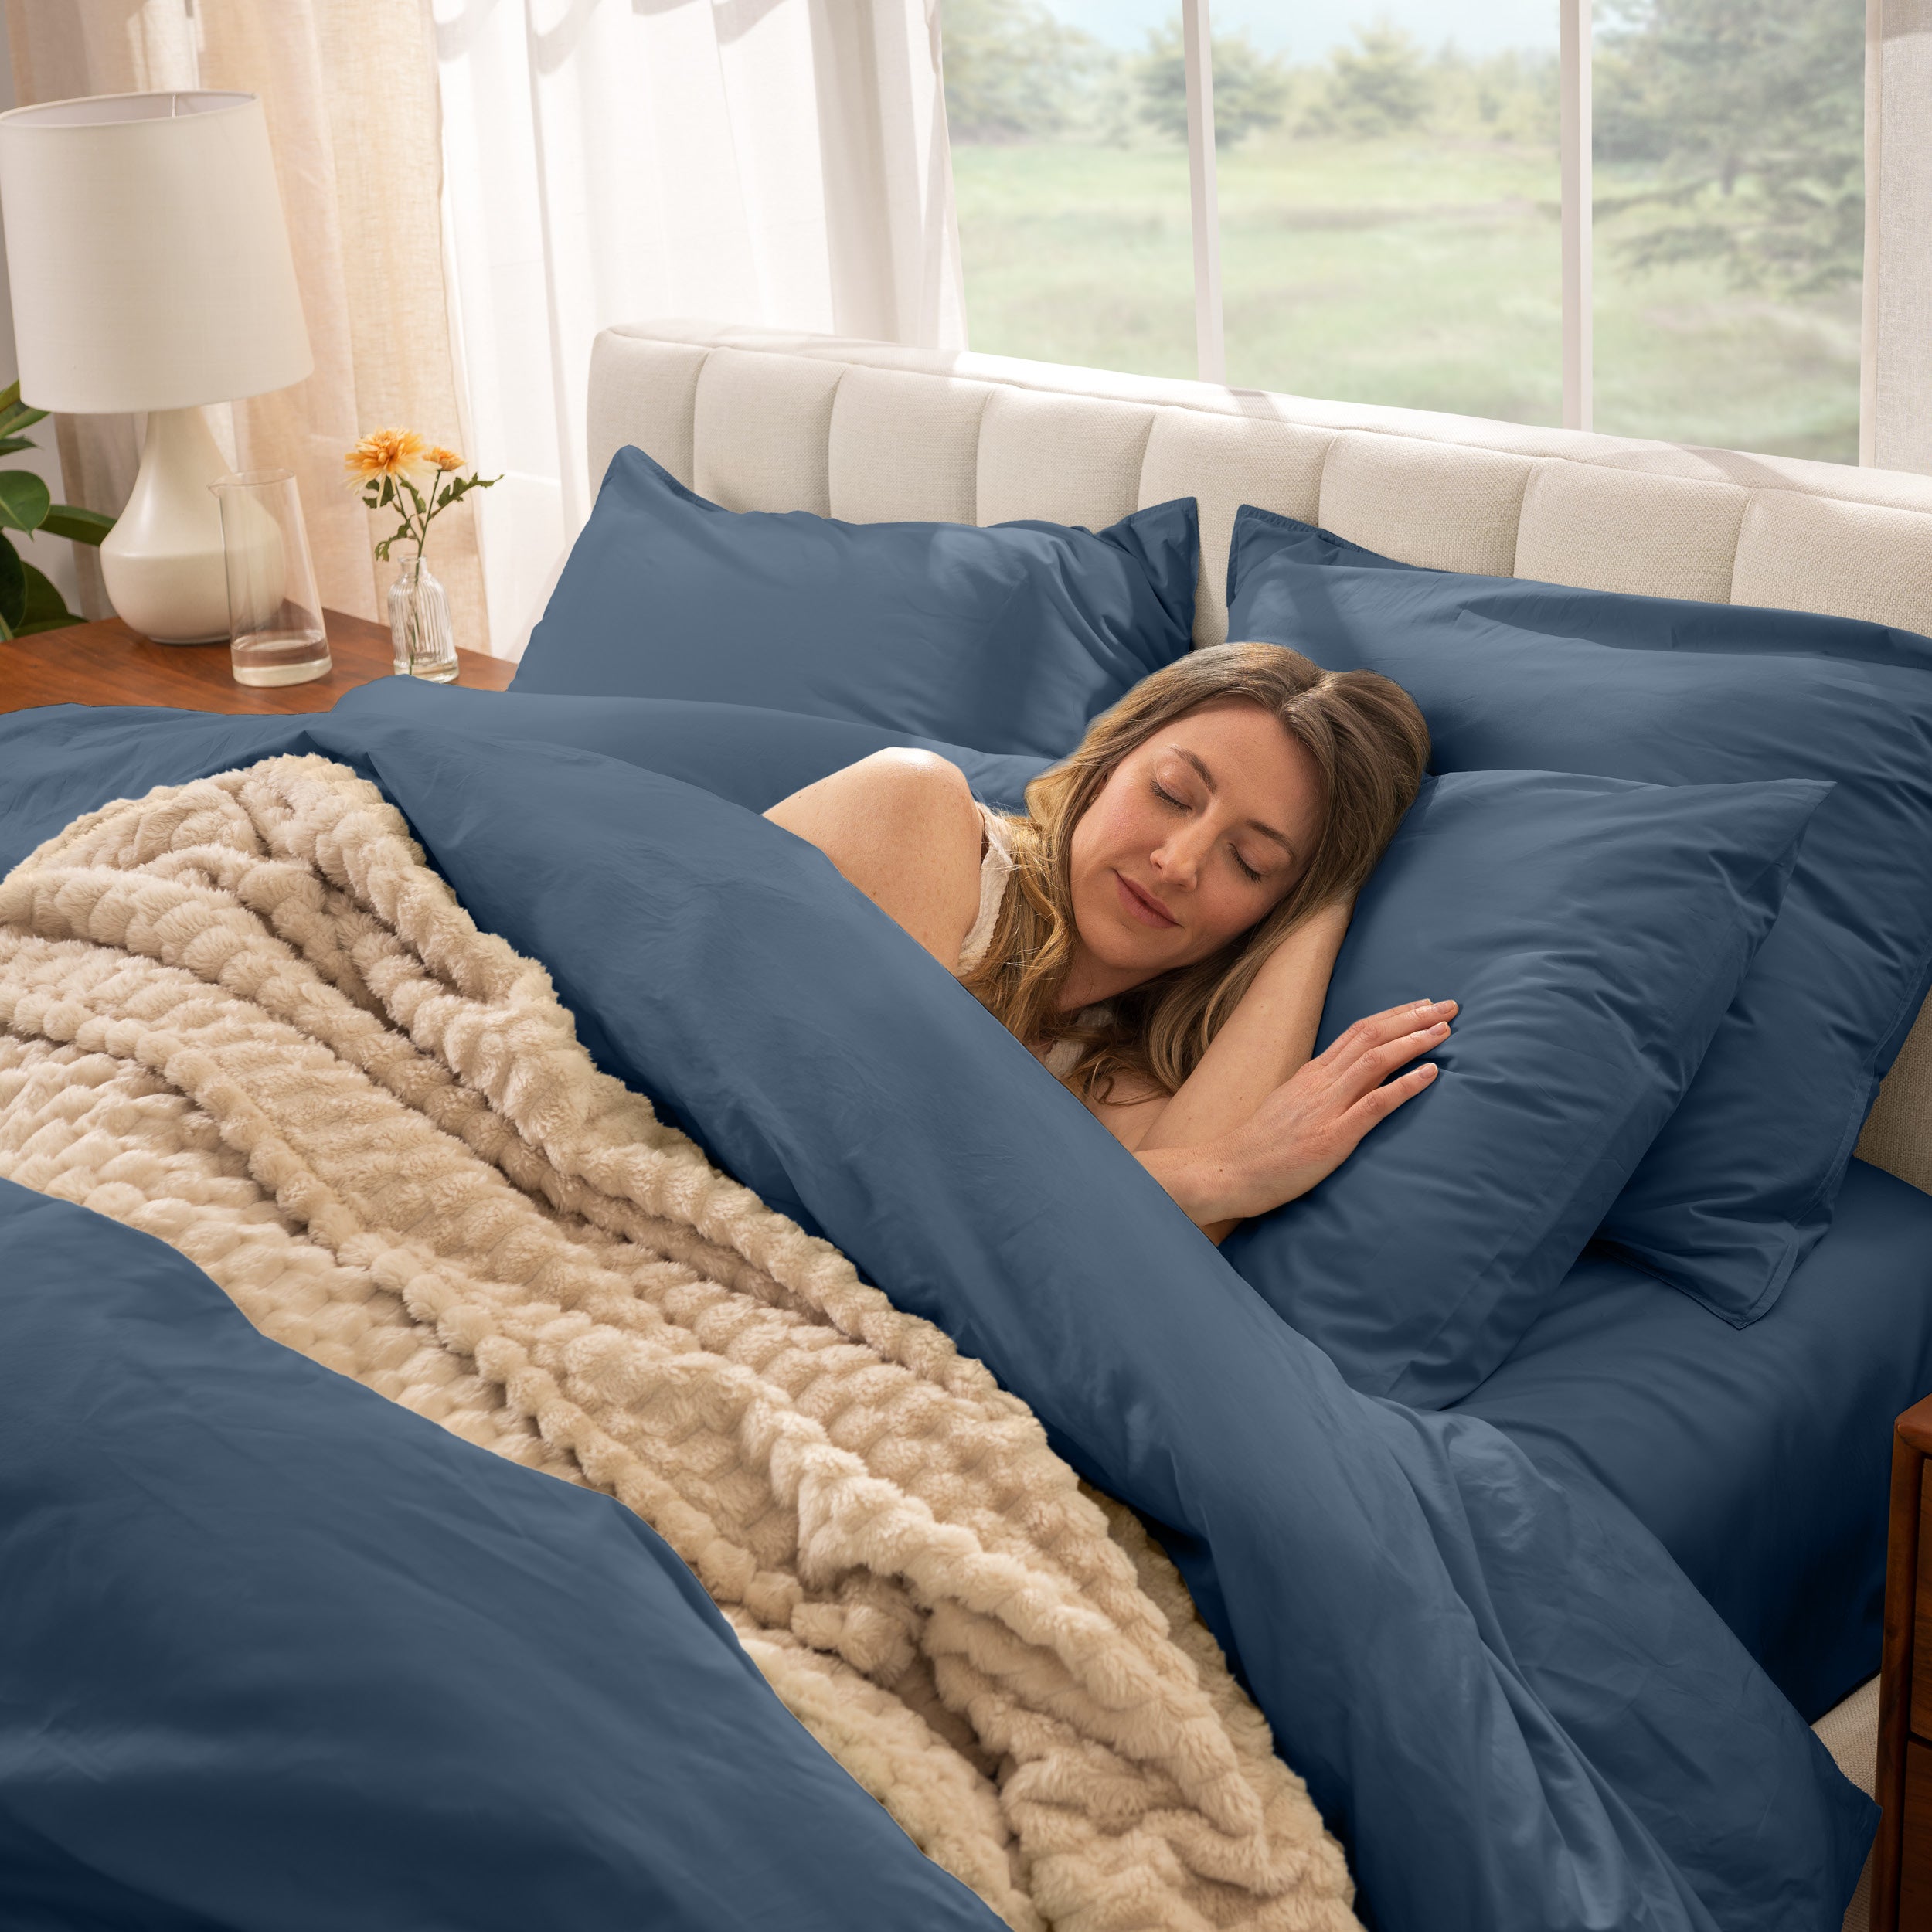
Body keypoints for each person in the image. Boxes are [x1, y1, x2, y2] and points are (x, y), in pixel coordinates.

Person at [766, 641, 1450, 1240]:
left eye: (1250, 863)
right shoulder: (914, 805)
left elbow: (1159, 1259)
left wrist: (1324, 902)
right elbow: (871, 1158)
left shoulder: (1117, 1078)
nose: (1178, 864)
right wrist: (1224, 1172)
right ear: (1107, 765)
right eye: (1172, 794)